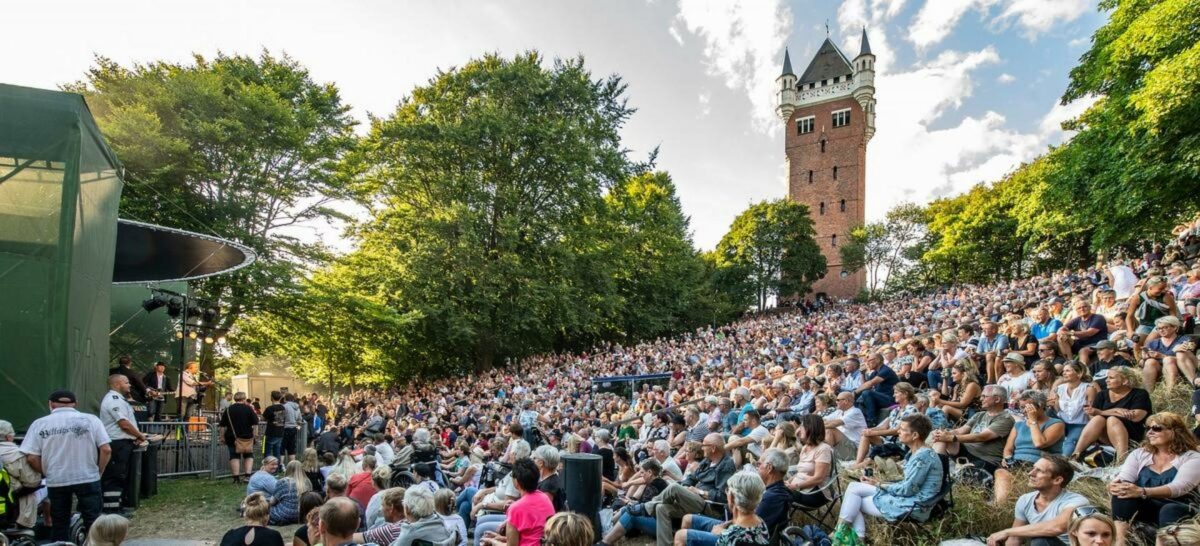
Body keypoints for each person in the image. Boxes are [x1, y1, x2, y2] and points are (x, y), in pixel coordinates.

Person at [604, 433, 734, 546]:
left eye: (704, 445)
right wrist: (686, 488)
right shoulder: (706, 461)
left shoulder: (726, 465)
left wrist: (699, 492)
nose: (701, 447)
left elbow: (723, 497)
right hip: (693, 500)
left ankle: (645, 507)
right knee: (661, 508)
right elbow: (690, 479)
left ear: (713, 448)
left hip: (710, 507)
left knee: (673, 487)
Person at [20, 389, 111, 542]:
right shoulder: (91, 420)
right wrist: (98, 471)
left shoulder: (40, 424)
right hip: (88, 477)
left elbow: (31, 457)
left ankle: (61, 543)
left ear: (50, 404)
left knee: (60, 521)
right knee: (93, 520)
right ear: (75, 404)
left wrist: (46, 472)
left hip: (57, 479)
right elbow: (106, 449)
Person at [835, 414, 942, 541]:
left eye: (902, 429)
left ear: (915, 435)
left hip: (915, 505)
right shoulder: (917, 452)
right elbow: (907, 484)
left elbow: (907, 489)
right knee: (853, 488)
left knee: (854, 501)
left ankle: (845, 536)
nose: (898, 432)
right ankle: (848, 536)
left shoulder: (923, 457)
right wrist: (877, 482)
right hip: (910, 497)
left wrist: (880, 485)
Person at [1108, 412, 1200, 546]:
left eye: (1156, 428)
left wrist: (1142, 492)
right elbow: (1124, 478)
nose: (1150, 432)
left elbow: (1179, 487)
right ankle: (1120, 542)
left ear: (1175, 431)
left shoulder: (1192, 457)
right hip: (1148, 506)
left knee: (1169, 509)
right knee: (1122, 495)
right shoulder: (1140, 454)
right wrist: (1115, 486)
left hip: (1182, 506)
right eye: (1148, 429)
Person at [985, 455, 1090, 546]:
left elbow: (1056, 528)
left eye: (1039, 471)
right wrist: (1009, 535)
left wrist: (1006, 532)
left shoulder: (1077, 501)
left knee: (1042, 540)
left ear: (1057, 480)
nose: (1030, 473)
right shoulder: (1025, 499)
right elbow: (1015, 538)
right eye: (1033, 468)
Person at [931, 384, 1013, 495]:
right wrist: (945, 433)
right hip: (967, 452)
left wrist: (951, 437)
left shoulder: (1006, 418)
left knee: (945, 439)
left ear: (997, 399)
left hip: (984, 459)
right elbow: (960, 431)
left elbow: (982, 437)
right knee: (940, 438)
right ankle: (934, 476)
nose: (980, 399)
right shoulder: (980, 415)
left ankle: (936, 477)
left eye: (984, 396)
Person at [1069, 366, 1152, 463]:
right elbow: (1092, 418)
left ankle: (1121, 460)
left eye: (1111, 378)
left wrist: (1102, 412)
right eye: (1107, 377)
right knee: (1098, 419)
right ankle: (1075, 456)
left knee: (1112, 419)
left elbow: (1137, 416)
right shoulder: (1102, 395)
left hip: (1132, 437)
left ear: (1124, 381)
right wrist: (1116, 410)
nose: (1106, 380)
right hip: (1106, 437)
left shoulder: (1139, 394)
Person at [995, 391, 1066, 503]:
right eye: (1022, 407)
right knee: (1001, 472)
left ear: (1041, 406)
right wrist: (1007, 458)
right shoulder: (1019, 425)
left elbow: (1039, 443)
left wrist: (1033, 421)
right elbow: (1008, 448)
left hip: (1041, 462)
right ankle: (999, 507)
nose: (1023, 411)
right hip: (1016, 461)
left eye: (1027, 407)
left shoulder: (1056, 424)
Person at [675, 470, 770, 546]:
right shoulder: (760, 522)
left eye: (727, 490)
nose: (726, 492)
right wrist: (726, 527)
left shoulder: (729, 538)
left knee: (680, 536)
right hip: (734, 532)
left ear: (731, 497)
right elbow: (742, 526)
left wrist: (719, 533)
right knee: (688, 518)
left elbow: (732, 538)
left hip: (730, 536)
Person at [99, 374, 147, 515]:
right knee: (114, 476)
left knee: (121, 475)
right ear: (117, 384)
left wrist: (135, 436)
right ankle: (111, 509)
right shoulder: (114, 400)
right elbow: (124, 424)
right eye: (126, 382)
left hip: (123, 442)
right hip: (117, 443)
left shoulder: (120, 400)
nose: (129, 385)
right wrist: (139, 435)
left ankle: (118, 505)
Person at [479, 458, 554, 546]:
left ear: (516, 482)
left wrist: (493, 542)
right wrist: (501, 538)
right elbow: (531, 535)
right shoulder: (544, 498)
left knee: (480, 533)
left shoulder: (516, 508)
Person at [0, 419, 42, 530]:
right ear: (9, 437)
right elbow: (32, 482)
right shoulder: (18, 454)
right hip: (14, 503)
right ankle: (48, 522)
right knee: (44, 486)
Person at [1051, 361, 1098, 455]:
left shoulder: (1089, 389)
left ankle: (1062, 462)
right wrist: (1054, 403)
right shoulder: (1059, 388)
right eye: (1063, 371)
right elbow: (1057, 410)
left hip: (1079, 424)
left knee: (1069, 443)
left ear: (1079, 373)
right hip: (1061, 423)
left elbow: (1091, 411)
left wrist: (1093, 431)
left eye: (1068, 371)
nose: (1064, 373)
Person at [1142, 316, 1197, 390]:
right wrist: (1145, 357)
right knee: (1149, 362)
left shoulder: (1184, 339)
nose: (1161, 330)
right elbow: (1140, 363)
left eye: (1165, 327)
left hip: (1182, 369)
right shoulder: (1153, 343)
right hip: (1160, 370)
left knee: (1168, 360)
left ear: (1174, 327)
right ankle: (1148, 393)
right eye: (1159, 328)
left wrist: (1162, 356)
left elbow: (1186, 354)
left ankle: (1170, 392)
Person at [220, 391, 260, 483]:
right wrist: (255, 435)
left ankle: (236, 478)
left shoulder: (229, 409)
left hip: (232, 437)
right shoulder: (249, 409)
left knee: (234, 456)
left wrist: (222, 437)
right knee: (248, 455)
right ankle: (247, 476)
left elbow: (222, 425)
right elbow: (255, 423)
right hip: (247, 436)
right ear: (244, 398)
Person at [854, 353, 899, 427]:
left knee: (865, 393)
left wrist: (854, 393)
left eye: (869, 361)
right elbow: (865, 386)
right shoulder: (874, 373)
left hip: (890, 398)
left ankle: (872, 421)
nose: (867, 363)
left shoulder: (886, 370)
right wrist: (862, 374)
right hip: (880, 398)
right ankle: (859, 420)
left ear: (877, 360)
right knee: (860, 396)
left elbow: (870, 384)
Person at [1057, 300, 1107, 365]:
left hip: (1096, 344)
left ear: (1089, 307)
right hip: (1080, 344)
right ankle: (1070, 361)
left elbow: (1089, 333)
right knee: (1061, 337)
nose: (1082, 309)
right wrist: (1062, 332)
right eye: (1079, 308)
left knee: (1083, 351)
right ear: (1076, 310)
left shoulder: (1098, 317)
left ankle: (1084, 371)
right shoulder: (1077, 319)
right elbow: (1062, 329)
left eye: (1084, 307)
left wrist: (1070, 333)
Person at [825, 391, 868, 461]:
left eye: (838, 400)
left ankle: (827, 461)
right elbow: (824, 420)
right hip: (843, 445)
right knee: (822, 430)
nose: (836, 402)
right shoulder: (839, 412)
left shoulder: (855, 411)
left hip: (855, 449)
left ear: (846, 401)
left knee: (830, 431)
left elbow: (835, 423)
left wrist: (817, 426)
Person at [269, 460, 309, 525]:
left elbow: (272, 502)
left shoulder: (283, 482)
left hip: (283, 514)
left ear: (288, 469)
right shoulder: (307, 482)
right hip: (300, 515)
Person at [263, 391, 287, 461]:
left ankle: (267, 468)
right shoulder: (283, 408)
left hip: (271, 432)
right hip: (280, 432)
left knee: (267, 452)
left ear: (271, 398)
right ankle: (277, 468)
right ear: (280, 398)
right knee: (277, 452)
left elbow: (264, 418)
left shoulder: (269, 408)